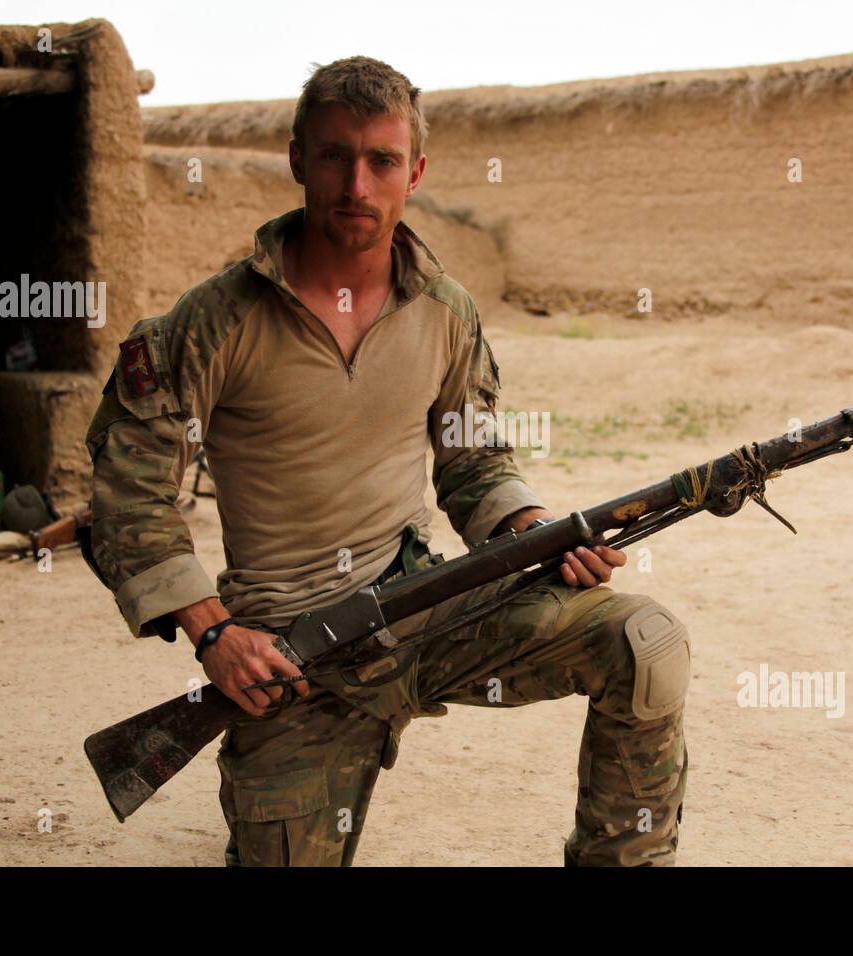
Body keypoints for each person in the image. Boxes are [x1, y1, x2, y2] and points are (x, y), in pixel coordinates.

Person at [83, 56, 690, 866]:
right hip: (286, 659)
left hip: (428, 609)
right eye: (335, 156)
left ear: (416, 171)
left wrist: (539, 530)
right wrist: (215, 635)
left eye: (381, 161)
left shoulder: (445, 311)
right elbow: (131, 496)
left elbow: (473, 465)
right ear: (298, 159)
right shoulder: (211, 322)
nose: (356, 185)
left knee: (644, 640)